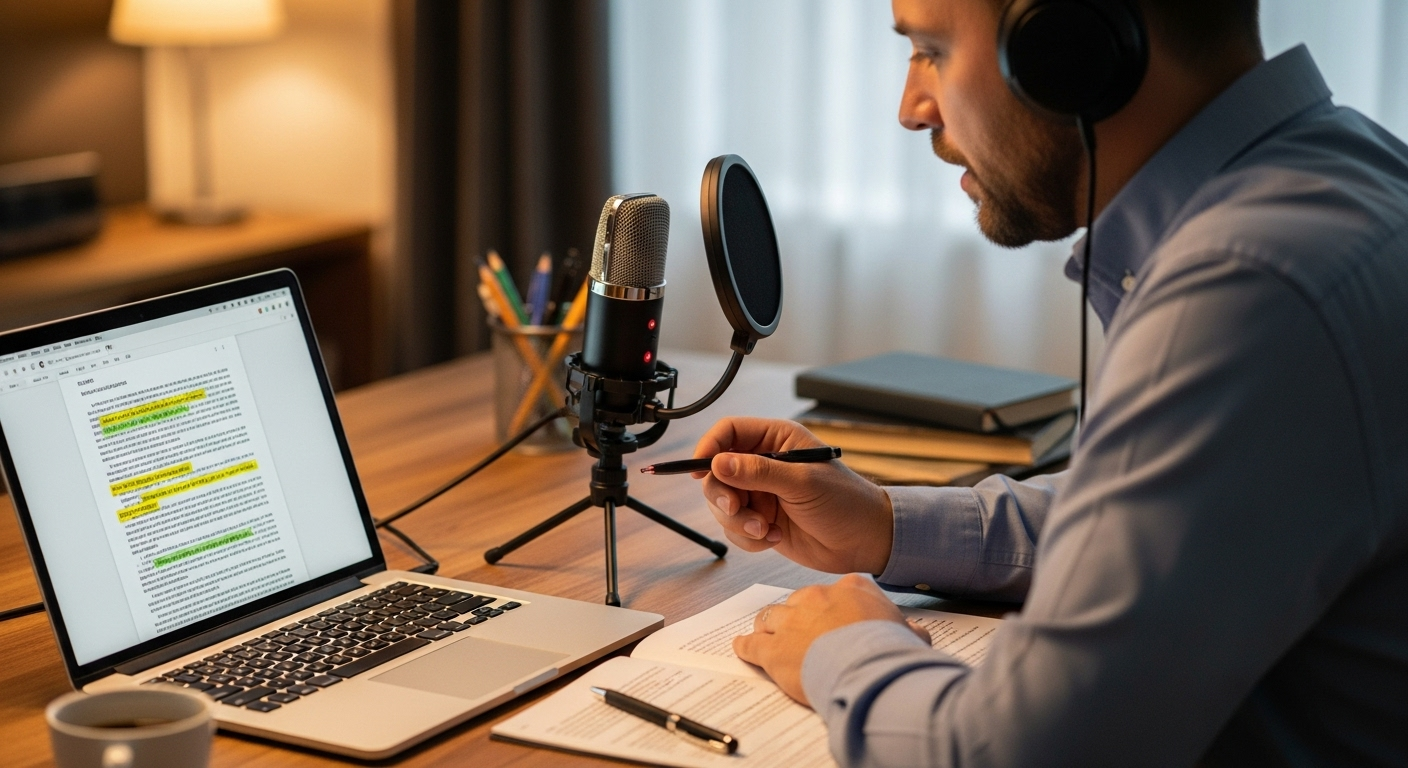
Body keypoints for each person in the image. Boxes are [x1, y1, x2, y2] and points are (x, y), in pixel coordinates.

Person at [692, 0, 1408, 765]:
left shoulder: (1246, 288)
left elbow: (1013, 755)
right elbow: (1174, 522)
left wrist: (845, 647)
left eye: (931, 49)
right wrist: (885, 524)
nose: (910, 110)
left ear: (1069, 43)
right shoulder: (1347, 170)